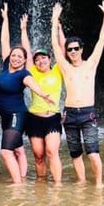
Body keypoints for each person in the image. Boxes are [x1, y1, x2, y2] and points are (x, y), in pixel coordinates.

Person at [51, 0, 104, 189]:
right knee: (75, 153)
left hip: (87, 113)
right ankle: (82, 182)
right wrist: (54, 20)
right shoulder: (65, 67)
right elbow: (54, 44)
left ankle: (99, 183)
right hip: (69, 114)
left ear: (82, 49)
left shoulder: (90, 64)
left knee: (92, 152)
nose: (73, 51)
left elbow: (102, 40)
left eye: (76, 48)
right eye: (70, 49)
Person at [0, 3, 55, 184]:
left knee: (6, 152)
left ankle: (17, 185)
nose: (15, 58)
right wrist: (5, 19)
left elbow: (32, 84)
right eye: (13, 55)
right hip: (5, 116)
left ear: (24, 60)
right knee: (19, 150)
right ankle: (22, 177)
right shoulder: (7, 67)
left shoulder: (24, 74)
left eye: (19, 57)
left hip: (17, 114)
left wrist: (44, 95)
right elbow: (5, 41)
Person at [20, 14, 64, 185]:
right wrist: (23, 29)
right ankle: (41, 186)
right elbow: (26, 51)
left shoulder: (58, 70)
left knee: (52, 152)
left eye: (43, 58)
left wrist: (59, 27)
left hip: (52, 117)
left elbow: (62, 47)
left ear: (49, 59)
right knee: (39, 156)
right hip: (34, 118)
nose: (40, 61)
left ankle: (58, 185)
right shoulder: (32, 71)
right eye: (37, 59)